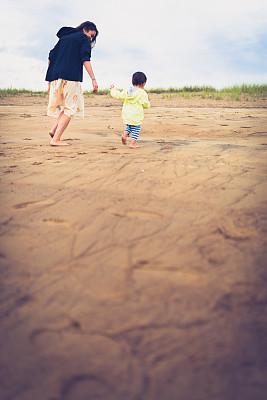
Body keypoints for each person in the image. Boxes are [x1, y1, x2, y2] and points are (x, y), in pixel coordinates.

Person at [45, 21, 99, 146]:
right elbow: (85, 59)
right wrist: (93, 79)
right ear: (85, 29)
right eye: (91, 35)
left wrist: (50, 78)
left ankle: (53, 130)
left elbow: (50, 56)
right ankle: (56, 139)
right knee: (70, 109)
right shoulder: (83, 38)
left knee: (66, 106)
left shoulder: (64, 38)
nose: (90, 39)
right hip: (71, 77)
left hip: (55, 76)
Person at [110, 72, 150, 149]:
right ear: (144, 83)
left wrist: (113, 90)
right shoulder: (142, 93)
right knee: (136, 129)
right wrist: (148, 101)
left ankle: (124, 135)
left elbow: (118, 95)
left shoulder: (127, 91)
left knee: (130, 126)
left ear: (133, 82)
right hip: (136, 115)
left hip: (127, 114)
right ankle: (132, 143)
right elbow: (146, 105)